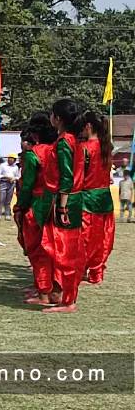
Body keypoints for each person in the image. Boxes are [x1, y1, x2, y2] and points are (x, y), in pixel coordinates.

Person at [44, 98, 86, 313]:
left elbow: (67, 178)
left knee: (65, 252)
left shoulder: (63, 143)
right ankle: (62, 295)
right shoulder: (71, 140)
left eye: (52, 113)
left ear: (58, 118)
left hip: (66, 200)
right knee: (63, 250)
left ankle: (68, 301)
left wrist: (61, 206)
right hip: (70, 199)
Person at [13, 112, 57, 306]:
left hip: (38, 204)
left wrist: (20, 206)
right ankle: (54, 289)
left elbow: (28, 185)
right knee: (53, 249)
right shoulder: (57, 149)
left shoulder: (34, 155)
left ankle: (43, 293)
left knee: (37, 250)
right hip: (56, 203)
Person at [80, 111, 114, 285]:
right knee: (103, 237)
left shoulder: (85, 148)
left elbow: (80, 176)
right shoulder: (107, 146)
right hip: (105, 197)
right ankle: (97, 272)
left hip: (88, 197)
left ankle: (85, 271)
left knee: (85, 237)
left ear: (88, 126)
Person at [0, 154, 20, 221]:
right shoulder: (2, 165)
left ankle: (7, 214)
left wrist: (14, 178)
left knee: (8, 200)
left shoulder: (15, 167)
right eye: (10, 158)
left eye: (13, 159)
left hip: (11, 184)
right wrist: (5, 177)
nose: (11, 160)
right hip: (3, 182)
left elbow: (18, 176)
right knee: (1, 199)